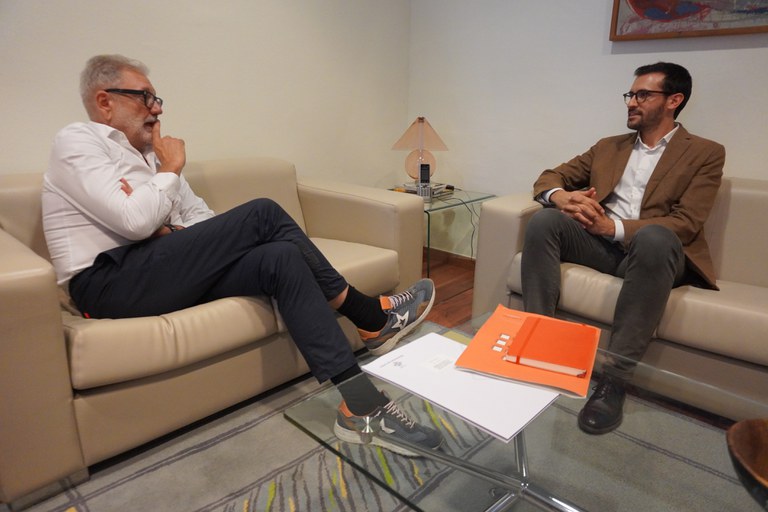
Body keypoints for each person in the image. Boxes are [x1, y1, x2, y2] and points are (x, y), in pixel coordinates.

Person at [42, 54, 443, 455]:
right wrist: (170, 171)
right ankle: (368, 315)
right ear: (105, 101)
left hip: (162, 271)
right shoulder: (79, 142)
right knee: (263, 212)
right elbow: (134, 222)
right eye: (144, 97)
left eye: (157, 98)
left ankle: (359, 404)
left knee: (280, 257)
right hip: (108, 285)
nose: (157, 108)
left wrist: (166, 222)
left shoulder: (150, 158)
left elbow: (199, 219)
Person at [521, 62, 725, 435]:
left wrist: (612, 227)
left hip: (657, 255)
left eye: (643, 95)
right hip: (603, 249)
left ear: (674, 100)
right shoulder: (608, 147)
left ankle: (614, 380)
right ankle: (539, 347)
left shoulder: (705, 153)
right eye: (630, 94)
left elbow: (686, 222)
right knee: (545, 220)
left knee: (654, 237)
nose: (631, 102)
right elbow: (549, 177)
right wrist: (562, 197)